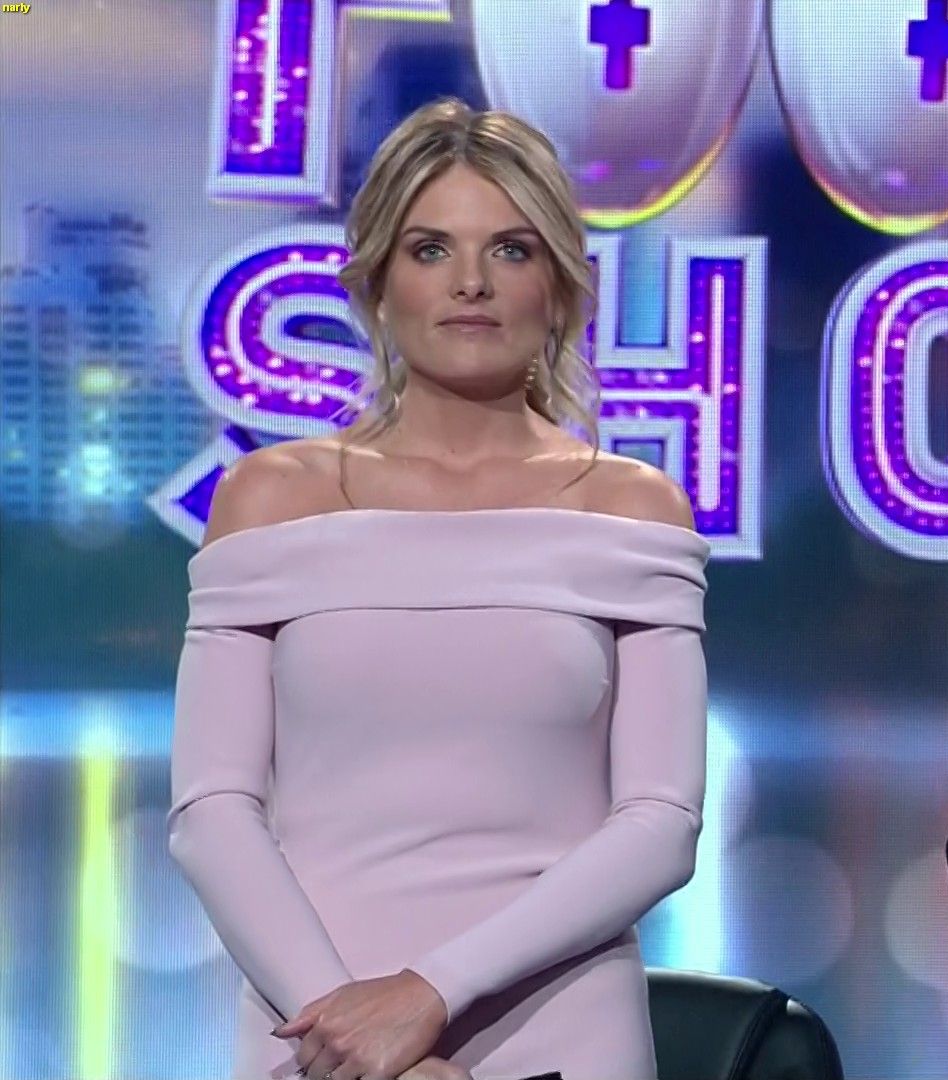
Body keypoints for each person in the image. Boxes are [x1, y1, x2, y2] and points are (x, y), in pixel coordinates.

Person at [168, 99, 707, 1080]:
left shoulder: (632, 509)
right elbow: (212, 811)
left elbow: (661, 825)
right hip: (315, 1027)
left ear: (559, 285)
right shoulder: (270, 498)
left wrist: (427, 994)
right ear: (377, 284)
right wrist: (351, 1031)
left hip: (561, 1031)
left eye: (510, 249)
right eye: (430, 250)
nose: (470, 283)